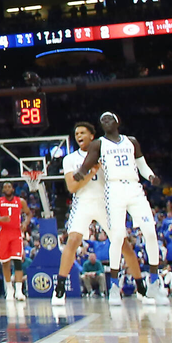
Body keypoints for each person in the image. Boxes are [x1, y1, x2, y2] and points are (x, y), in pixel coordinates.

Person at [71, 111, 167, 305]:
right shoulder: (99, 143)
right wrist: (81, 172)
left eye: (109, 118)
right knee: (117, 237)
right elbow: (88, 161)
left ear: (117, 121)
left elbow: (142, 165)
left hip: (134, 188)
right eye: (102, 120)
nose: (105, 121)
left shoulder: (131, 141)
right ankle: (114, 287)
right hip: (114, 190)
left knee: (150, 231)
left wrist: (151, 177)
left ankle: (155, 283)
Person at [53, 121, 145, 305]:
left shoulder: (106, 153)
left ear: (92, 136)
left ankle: (141, 287)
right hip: (83, 202)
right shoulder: (70, 159)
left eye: (82, 133)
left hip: (106, 202)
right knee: (72, 241)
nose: (79, 136)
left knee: (124, 245)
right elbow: (72, 187)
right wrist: (91, 171)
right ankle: (59, 289)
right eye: (76, 133)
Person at [0, 182, 29, 301]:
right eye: (4, 187)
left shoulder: (20, 201)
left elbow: (29, 214)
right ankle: (9, 290)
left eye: (9, 187)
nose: (7, 188)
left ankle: (19, 291)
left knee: (17, 262)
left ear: (13, 189)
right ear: (2, 190)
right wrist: (1, 218)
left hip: (16, 233)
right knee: (5, 262)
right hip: (4, 233)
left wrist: (25, 223)